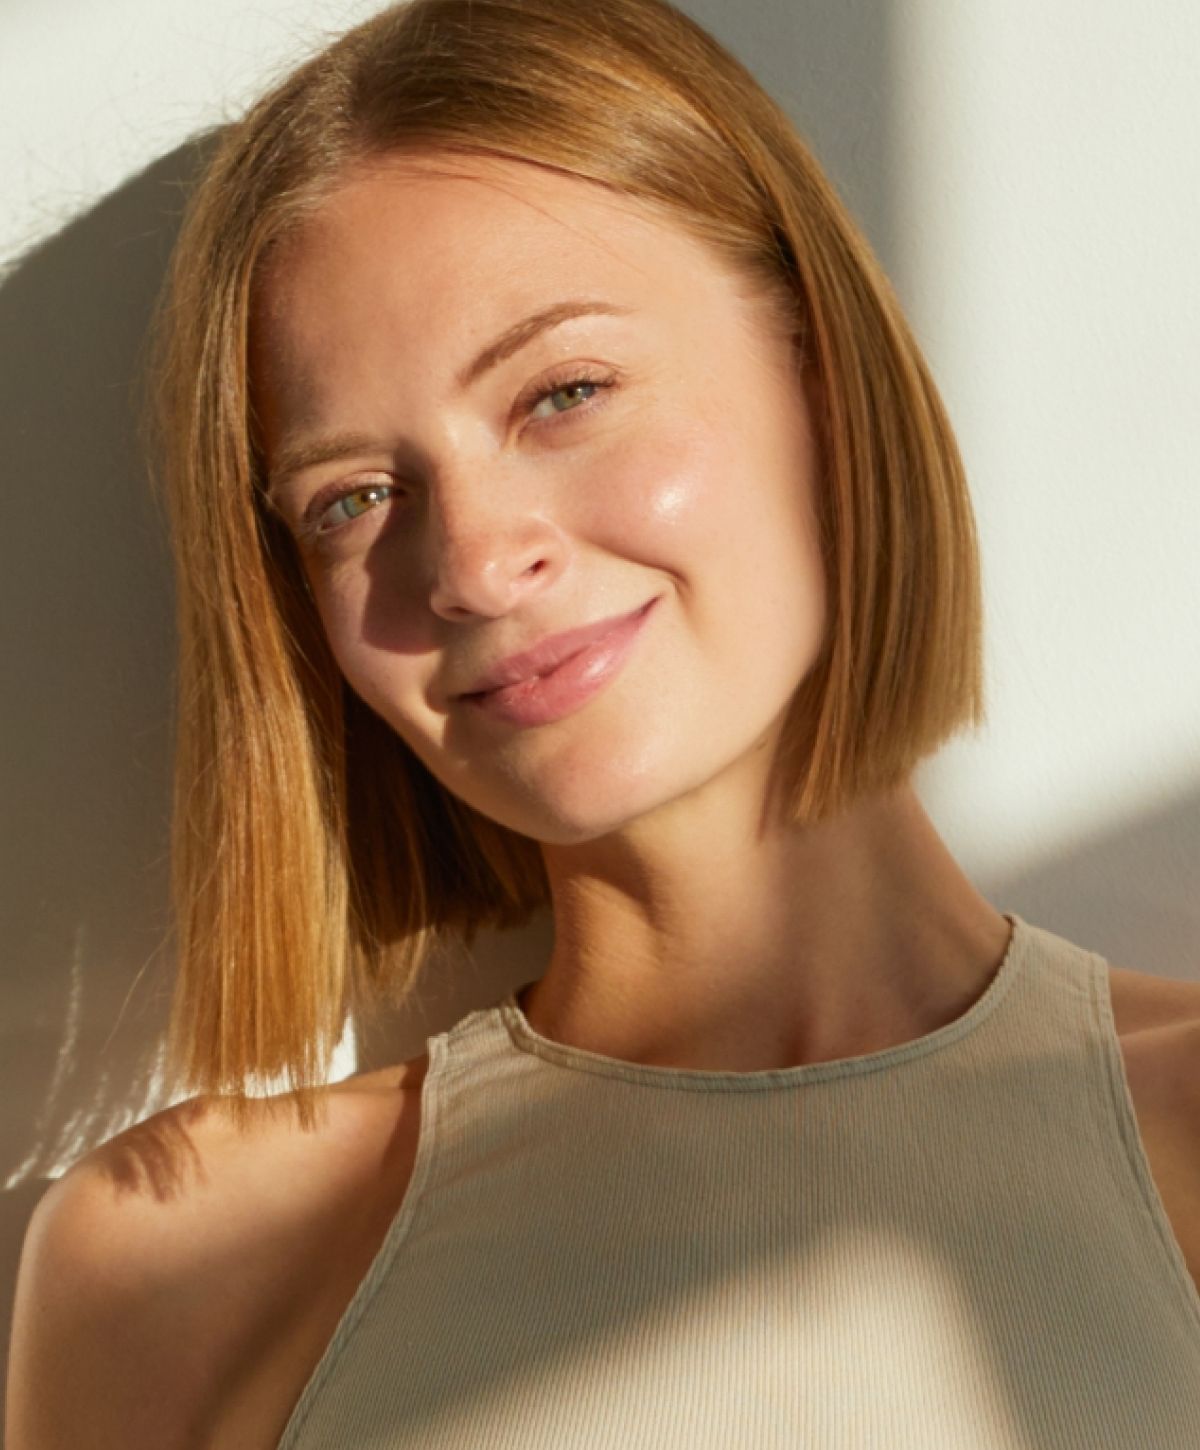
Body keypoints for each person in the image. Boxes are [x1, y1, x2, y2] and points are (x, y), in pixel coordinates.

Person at [8, 0, 1200, 1445]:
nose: (466, 561)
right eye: (354, 498)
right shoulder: (181, 1259)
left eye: (563, 392)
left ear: (820, 369)